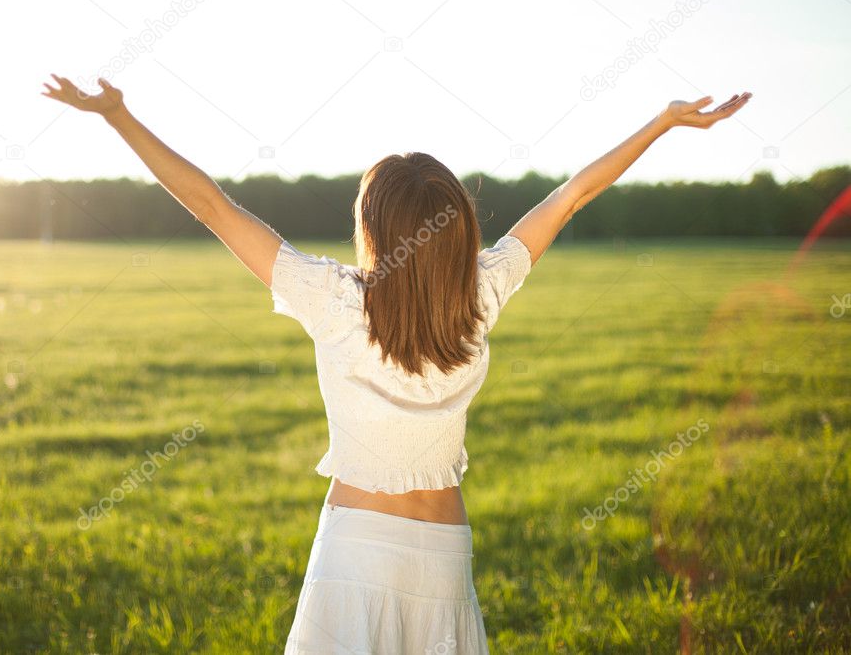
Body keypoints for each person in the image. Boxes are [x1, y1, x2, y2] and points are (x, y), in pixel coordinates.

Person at [42, 74, 751, 653]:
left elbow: (209, 205)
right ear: (456, 229)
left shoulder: (330, 299)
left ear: (371, 229)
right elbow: (572, 196)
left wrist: (118, 116)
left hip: (353, 553)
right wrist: (660, 124)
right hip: (443, 555)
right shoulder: (480, 292)